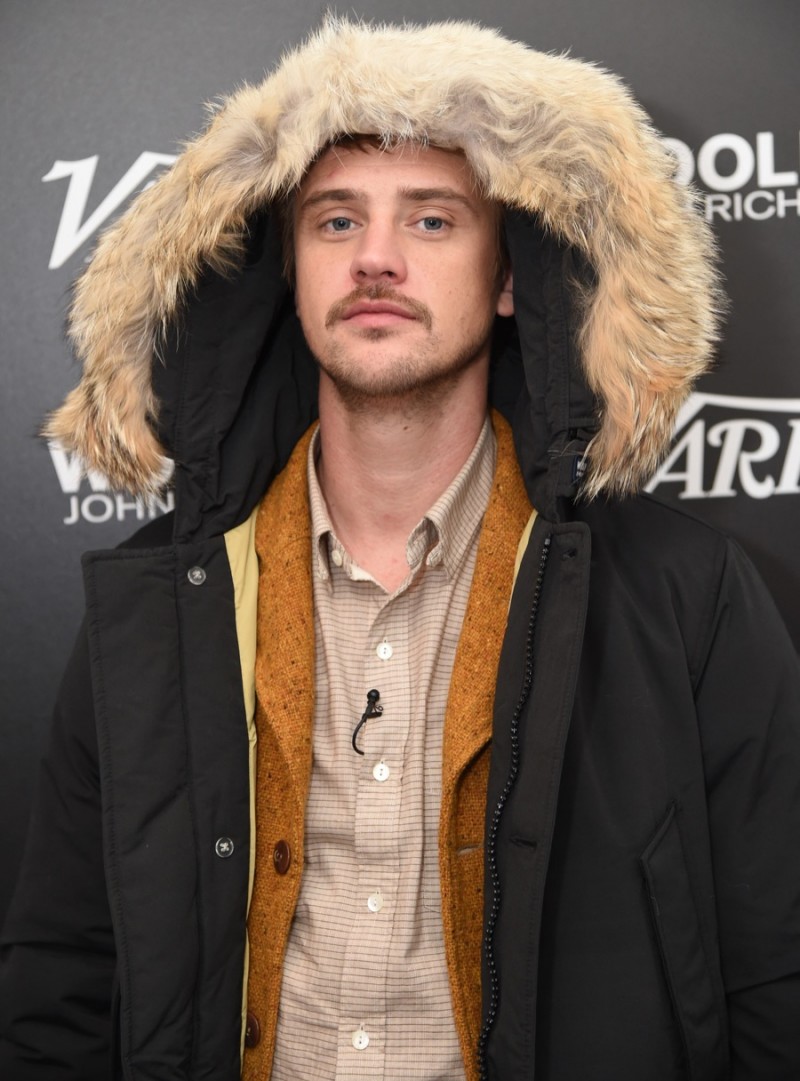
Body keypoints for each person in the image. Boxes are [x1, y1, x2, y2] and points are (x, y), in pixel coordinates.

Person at [1, 15, 799, 1081]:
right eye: (334, 222)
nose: (375, 258)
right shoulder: (164, 598)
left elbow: (771, 976)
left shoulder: (684, 596)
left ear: (510, 277)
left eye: (430, 219)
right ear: (285, 271)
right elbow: (63, 976)